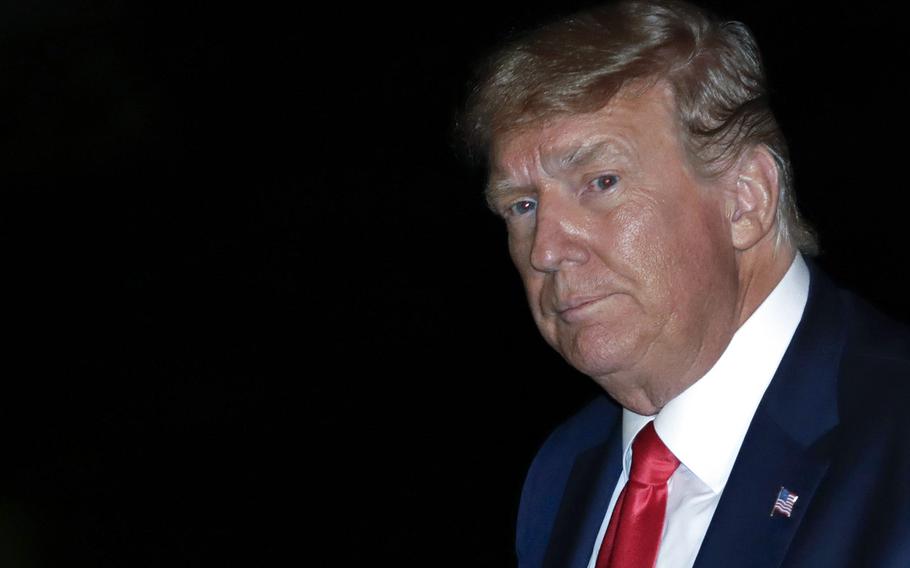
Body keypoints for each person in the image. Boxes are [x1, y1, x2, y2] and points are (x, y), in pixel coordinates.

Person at [460, 1, 910, 566]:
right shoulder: (561, 472)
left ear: (746, 199)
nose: (545, 249)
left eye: (601, 181)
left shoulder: (895, 437)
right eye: (522, 205)